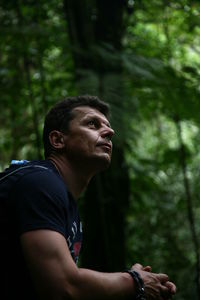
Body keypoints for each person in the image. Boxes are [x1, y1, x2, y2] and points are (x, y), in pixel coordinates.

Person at [0, 95, 176, 300]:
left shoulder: (63, 200)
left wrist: (134, 285)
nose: (110, 132)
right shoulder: (39, 182)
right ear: (58, 140)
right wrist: (134, 281)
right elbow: (62, 286)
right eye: (92, 124)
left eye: (108, 127)